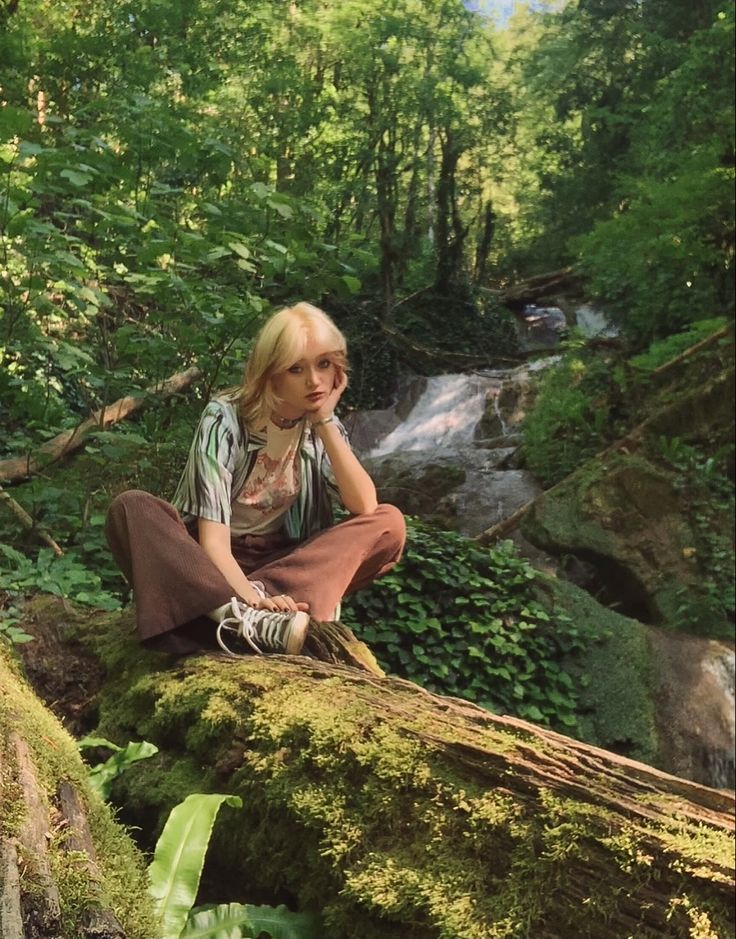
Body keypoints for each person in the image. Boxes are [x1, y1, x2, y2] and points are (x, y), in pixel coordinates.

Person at [105, 302, 406, 657]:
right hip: (204, 561)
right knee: (131, 507)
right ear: (272, 373)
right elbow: (212, 542)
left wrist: (324, 420)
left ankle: (248, 614)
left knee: (390, 524)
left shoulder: (321, 426)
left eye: (324, 364)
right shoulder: (225, 417)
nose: (314, 381)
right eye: (296, 368)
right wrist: (246, 598)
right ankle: (237, 617)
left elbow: (365, 506)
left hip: (278, 565)